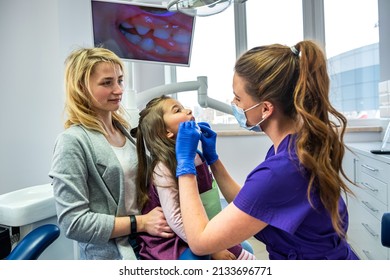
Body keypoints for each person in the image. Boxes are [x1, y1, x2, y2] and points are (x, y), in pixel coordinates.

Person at [174, 40, 359, 260]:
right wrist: (214, 160)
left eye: (238, 98)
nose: (233, 103)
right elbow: (250, 201)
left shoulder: (282, 169)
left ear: (265, 108)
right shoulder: (294, 147)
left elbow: (200, 241)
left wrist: (184, 164)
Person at [48, 47, 173, 260]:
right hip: (115, 253)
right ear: (81, 88)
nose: (118, 90)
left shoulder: (126, 132)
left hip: (148, 241)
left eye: (120, 80)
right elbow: (74, 223)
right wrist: (140, 222)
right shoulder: (72, 142)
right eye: (107, 83)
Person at [131, 95, 255, 260]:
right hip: (172, 240)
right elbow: (175, 219)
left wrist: (213, 158)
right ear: (166, 132)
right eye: (178, 110)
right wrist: (212, 248)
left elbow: (209, 203)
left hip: (200, 229)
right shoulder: (163, 167)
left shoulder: (197, 156)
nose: (187, 110)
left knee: (246, 251)